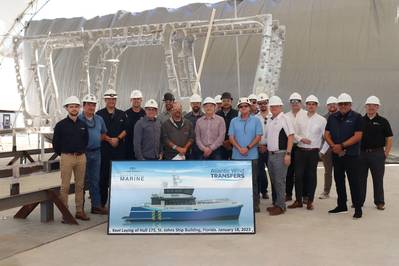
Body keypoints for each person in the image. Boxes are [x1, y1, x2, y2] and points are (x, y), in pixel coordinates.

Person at [325, 93, 363, 219]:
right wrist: (334, 147)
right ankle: (342, 205)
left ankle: (358, 209)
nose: (343, 106)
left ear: (350, 105)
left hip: (351, 155)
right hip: (337, 155)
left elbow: (357, 136)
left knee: (354, 182)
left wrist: (341, 146)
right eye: (340, 104)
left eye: (345, 104)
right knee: (339, 181)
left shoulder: (357, 117)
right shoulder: (332, 117)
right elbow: (327, 134)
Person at [52, 96, 89, 222]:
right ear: (67, 108)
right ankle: (65, 213)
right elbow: (55, 144)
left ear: (79, 108)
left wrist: (80, 152)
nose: (74, 108)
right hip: (67, 157)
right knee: (65, 186)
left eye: (76, 106)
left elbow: (86, 141)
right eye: (71, 106)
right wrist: (64, 154)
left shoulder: (83, 125)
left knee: (80, 185)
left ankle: (79, 211)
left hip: (81, 158)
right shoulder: (60, 125)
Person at [288, 95, 326, 210]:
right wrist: (301, 139)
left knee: (311, 176)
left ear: (317, 106)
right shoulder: (300, 117)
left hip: (313, 152)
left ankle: (310, 201)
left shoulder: (322, 120)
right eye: (309, 104)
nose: (311, 106)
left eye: (313, 104)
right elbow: (293, 133)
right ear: (306, 105)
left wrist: (322, 151)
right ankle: (298, 200)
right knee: (298, 176)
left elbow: (327, 137)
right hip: (300, 151)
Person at [228, 97, 263, 212]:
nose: (243, 108)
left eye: (246, 106)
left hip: (252, 156)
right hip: (236, 156)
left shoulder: (256, 120)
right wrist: (239, 148)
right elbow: (231, 137)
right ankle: (240, 203)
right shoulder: (233, 121)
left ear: (249, 108)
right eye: (241, 106)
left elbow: (258, 136)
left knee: (253, 182)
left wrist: (247, 148)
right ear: (239, 108)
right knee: (238, 183)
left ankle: (255, 205)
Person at [359, 96, 393, 210]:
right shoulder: (360, 120)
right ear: (365, 107)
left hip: (377, 154)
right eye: (369, 105)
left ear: (378, 107)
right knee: (360, 179)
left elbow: (389, 138)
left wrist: (385, 153)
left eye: (374, 105)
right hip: (362, 154)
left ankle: (379, 202)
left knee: (378, 179)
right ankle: (359, 201)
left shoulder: (383, 121)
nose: (371, 107)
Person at [96, 89, 128, 208]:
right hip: (104, 150)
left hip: (118, 151)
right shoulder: (99, 114)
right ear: (105, 100)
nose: (111, 101)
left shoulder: (122, 114)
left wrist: (118, 139)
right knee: (103, 178)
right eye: (109, 99)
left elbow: (126, 129)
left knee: (117, 178)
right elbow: (97, 131)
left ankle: (116, 203)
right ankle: (102, 203)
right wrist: (110, 140)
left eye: (113, 99)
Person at [79, 94, 108, 215]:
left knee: (95, 180)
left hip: (96, 153)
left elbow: (103, 134)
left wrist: (94, 142)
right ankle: (79, 208)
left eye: (93, 105)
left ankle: (96, 206)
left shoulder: (99, 119)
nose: (91, 107)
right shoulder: (79, 119)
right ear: (84, 106)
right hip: (82, 154)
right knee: (81, 181)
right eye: (89, 104)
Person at [265, 96, 294, 215]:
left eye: (276, 106)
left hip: (280, 154)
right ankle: (277, 203)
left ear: (281, 107)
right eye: (272, 106)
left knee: (280, 181)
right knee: (274, 181)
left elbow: (291, 136)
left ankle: (281, 207)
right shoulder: (271, 119)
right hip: (270, 155)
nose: (273, 108)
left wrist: (288, 154)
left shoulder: (285, 119)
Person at [285, 92, 307, 202]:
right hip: (289, 147)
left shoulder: (306, 115)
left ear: (301, 103)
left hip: (302, 147)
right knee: (289, 172)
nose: (294, 104)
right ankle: (288, 194)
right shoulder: (286, 116)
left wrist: (300, 139)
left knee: (301, 173)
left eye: (297, 101)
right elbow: (287, 133)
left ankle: (304, 195)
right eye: (292, 102)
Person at [319, 96, 338, 199]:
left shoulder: (343, 116)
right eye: (330, 104)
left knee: (340, 171)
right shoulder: (323, 118)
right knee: (328, 171)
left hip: (340, 148)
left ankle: (341, 192)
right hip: (326, 149)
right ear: (327, 106)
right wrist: (321, 150)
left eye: (334, 104)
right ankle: (326, 192)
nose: (332, 106)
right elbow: (321, 136)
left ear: (337, 105)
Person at [255, 93, 272, 200]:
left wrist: (267, 146)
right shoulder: (254, 118)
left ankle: (276, 196)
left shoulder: (274, 116)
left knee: (273, 172)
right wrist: (259, 145)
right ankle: (263, 191)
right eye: (260, 103)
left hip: (270, 149)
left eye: (264, 103)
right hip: (258, 148)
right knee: (260, 172)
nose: (262, 105)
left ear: (268, 103)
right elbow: (252, 134)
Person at [216, 92, 238, 159]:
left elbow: (238, 130)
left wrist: (229, 141)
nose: (226, 103)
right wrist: (223, 142)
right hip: (220, 146)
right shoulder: (217, 114)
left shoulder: (236, 114)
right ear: (221, 102)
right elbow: (215, 130)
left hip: (234, 145)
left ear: (231, 101)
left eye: (228, 101)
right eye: (224, 101)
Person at [125, 90, 145, 160]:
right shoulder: (125, 114)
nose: (136, 101)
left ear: (141, 100)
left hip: (143, 148)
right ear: (131, 100)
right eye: (134, 99)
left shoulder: (145, 114)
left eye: (138, 99)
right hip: (128, 148)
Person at [185, 94, 204, 160]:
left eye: (197, 103)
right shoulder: (186, 117)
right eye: (193, 103)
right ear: (191, 104)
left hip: (202, 147)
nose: (195, 105)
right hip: (189, 147)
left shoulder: (205, 117)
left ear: (200, 104)